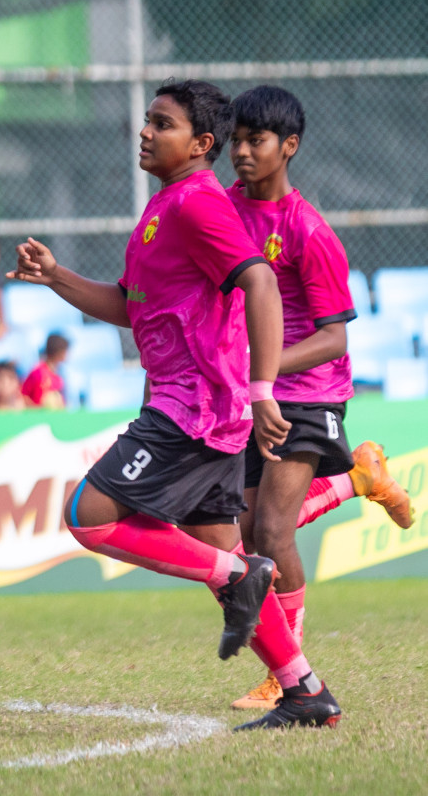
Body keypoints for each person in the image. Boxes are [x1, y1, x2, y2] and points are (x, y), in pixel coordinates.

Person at [8, 79, 341, 731]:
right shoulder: (163, 211)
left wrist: (263, 385)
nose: (145, 131)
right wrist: (57, 277)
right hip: (195, 408)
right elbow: (130, 308)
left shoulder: (198, 205)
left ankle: (239, 579)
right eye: (147, 120)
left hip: (193, 410)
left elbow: (261, 281)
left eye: (161, 123)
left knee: (87, 514)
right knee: (226, 558)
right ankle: (305, 692)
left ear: (201, 144)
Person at [224, 85, 415, 712]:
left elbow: (333, 339)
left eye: (257, 141)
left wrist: (263, 369)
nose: (243, 152)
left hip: (308, 391)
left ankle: (288, 675)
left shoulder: (308, 230)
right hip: (253, 392)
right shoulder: (224, 211)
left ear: (290, 147)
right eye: (237, 140)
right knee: (248, 535)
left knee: (272, 533)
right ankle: (359, 480)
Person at [21, 333, 70, 410]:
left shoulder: (59, 373)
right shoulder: (38, 372)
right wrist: (36, 411)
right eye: (65, 351)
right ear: (58, 352)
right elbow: (23, 395)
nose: (68, 354)